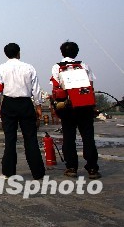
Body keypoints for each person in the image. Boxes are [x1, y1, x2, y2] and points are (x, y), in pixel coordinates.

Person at [0, 43, 45, 180]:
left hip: (9, 104)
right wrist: (38, 106)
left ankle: (8, 172)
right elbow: (36, 89)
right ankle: (38, 173)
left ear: (6, 54)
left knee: (10, 139)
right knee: (31, 138)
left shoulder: (1, 69)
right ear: (19, 53)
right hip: (26, 104)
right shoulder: (29, 68)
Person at [50, 41, 100, 179]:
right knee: (88, 138)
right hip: (85, 107)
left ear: (62, 52)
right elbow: (90, 87)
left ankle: (71, 168)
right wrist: (93, 106)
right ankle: (92, 169)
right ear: (76, 52)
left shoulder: (57, 67)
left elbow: (56, 87)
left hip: (68, 107)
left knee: (69, 138)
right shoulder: (84, 65)